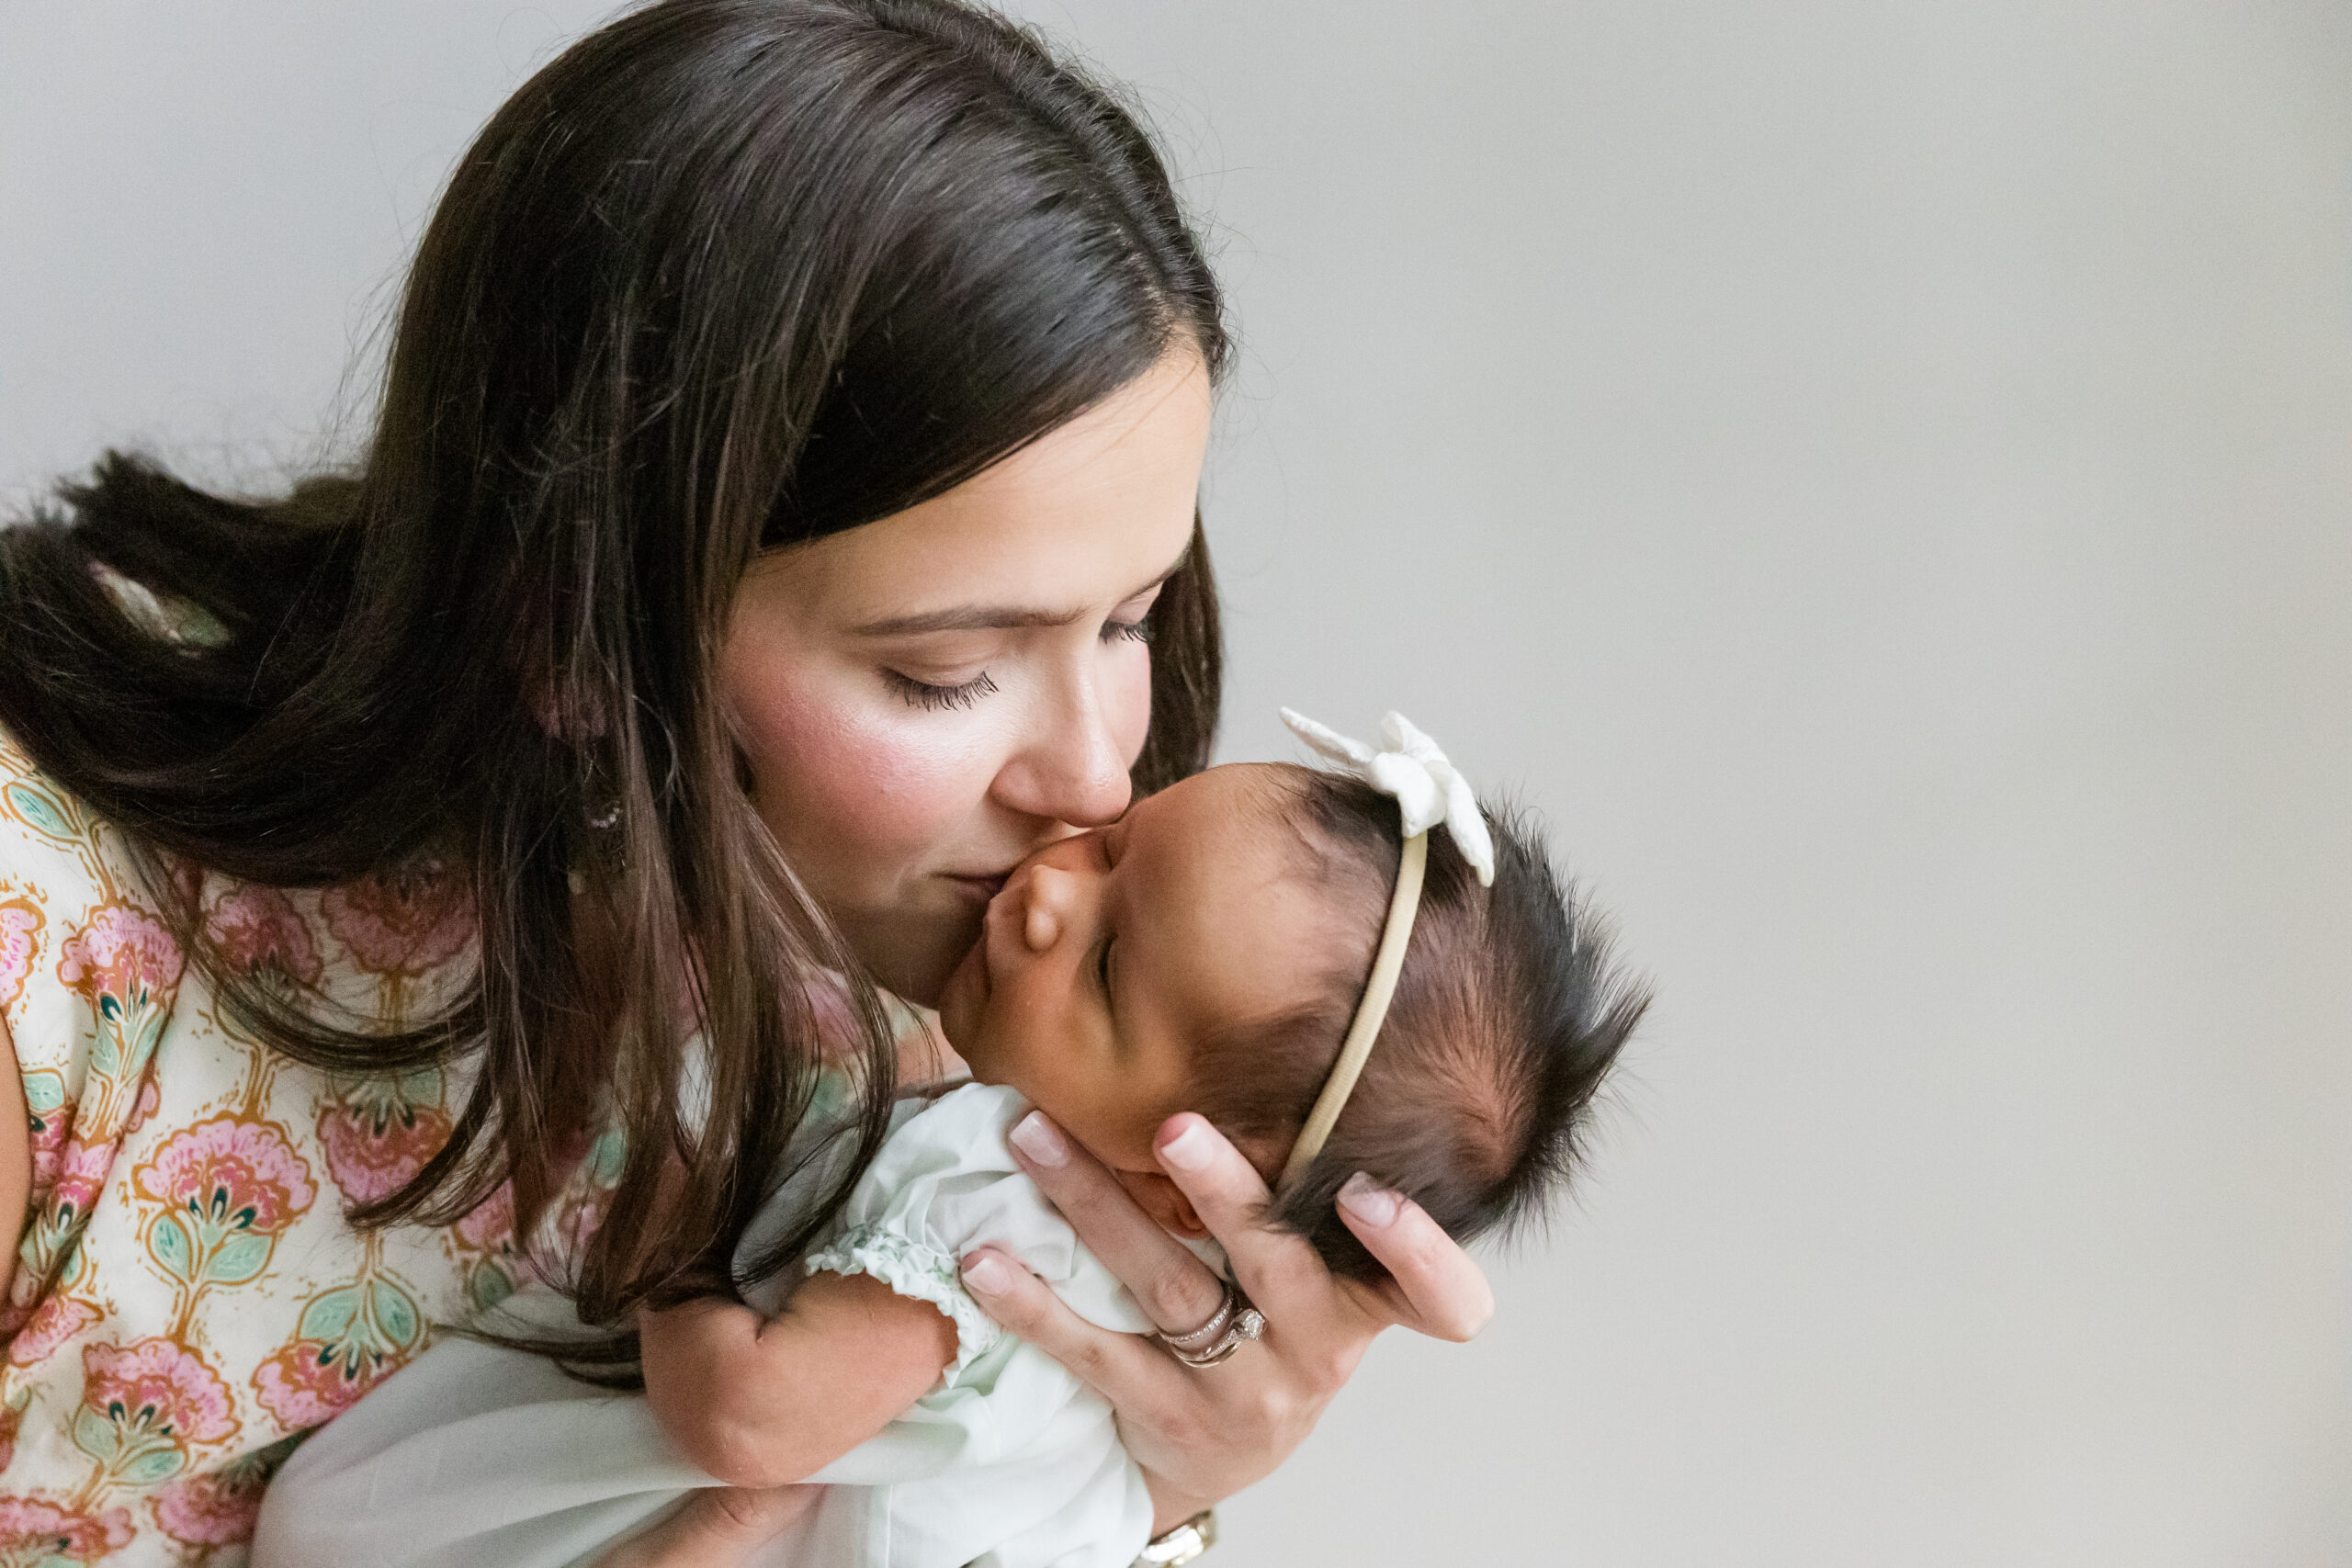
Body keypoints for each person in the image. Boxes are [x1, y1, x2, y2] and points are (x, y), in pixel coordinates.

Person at [0, 3, 1498, 1562]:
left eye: (1130, 620)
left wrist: (1145, 1475)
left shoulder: (974, 1015)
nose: (1098, 778)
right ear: (570, 628)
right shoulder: (47, 957)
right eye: (944, 671)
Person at [248, 725, 1646, 1568]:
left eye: (1105, 971)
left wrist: (678, 1212)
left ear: (1179, 1176)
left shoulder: (995, 1183)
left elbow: (748, 1422)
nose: (1045, 891)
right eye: (1114, 845)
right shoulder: (1145, 1294)